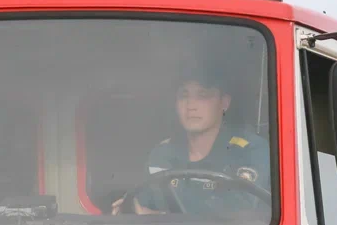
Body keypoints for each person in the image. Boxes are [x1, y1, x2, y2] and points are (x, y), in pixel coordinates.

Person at [112, 61, 270, 216]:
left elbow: (236, 215)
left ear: (224, 103)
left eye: (203, 95)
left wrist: (157, 218)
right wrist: (128, 210)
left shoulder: (251, 151)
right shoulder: (162, 154)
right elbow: (142, 204)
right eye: (183, 95)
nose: (191, 106)